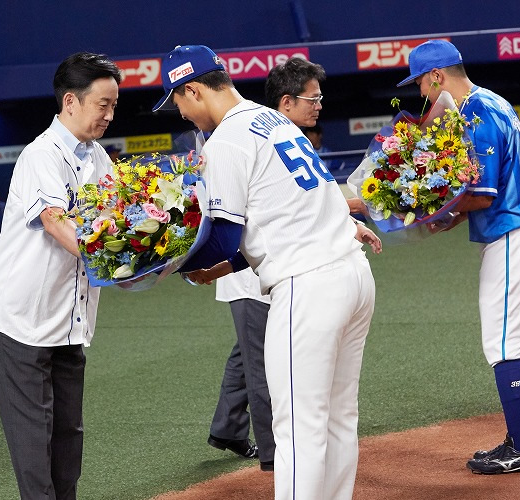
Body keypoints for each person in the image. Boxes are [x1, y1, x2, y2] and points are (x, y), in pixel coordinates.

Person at [154, 45, 377, 500]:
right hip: (352, 276)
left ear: (193, 89)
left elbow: (223, 236)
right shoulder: (271, 119)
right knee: (337, 417)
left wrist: (171, 267)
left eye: (177, 100)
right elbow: (273, 222)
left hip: (309, 287)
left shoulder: (227, 140)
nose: (179, 112)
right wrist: (217, 269)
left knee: (297, 425)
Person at [398, 39, 520, 474]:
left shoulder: (475, 113)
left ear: (437, 76)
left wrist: (423, 208)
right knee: (517, 342)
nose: (422, 96)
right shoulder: (491, 100)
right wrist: (446, 215)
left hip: (515, 233)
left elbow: (483, 195)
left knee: (504, 345)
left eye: (421, 85)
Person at [0, 52, 121, 499]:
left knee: (67, 434)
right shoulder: (41, 154)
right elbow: (56, 223)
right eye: (103, 105)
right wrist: (116, 262)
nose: (110, 114)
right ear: (70, 101)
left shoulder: (98, 159)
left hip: (67, 319)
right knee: (34, 440)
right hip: (17, 320)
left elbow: (123, 222)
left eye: (115, 105)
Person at [207, 56, 335, 472]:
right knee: (264, 365)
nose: (318, 106)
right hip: (254, 272)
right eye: (310, 99)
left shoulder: (253, 129)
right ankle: (274, 455)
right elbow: (227, 224)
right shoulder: (234, 135)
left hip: (266, 267)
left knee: (248, 356)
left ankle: (227, 428)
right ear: (285, 102)